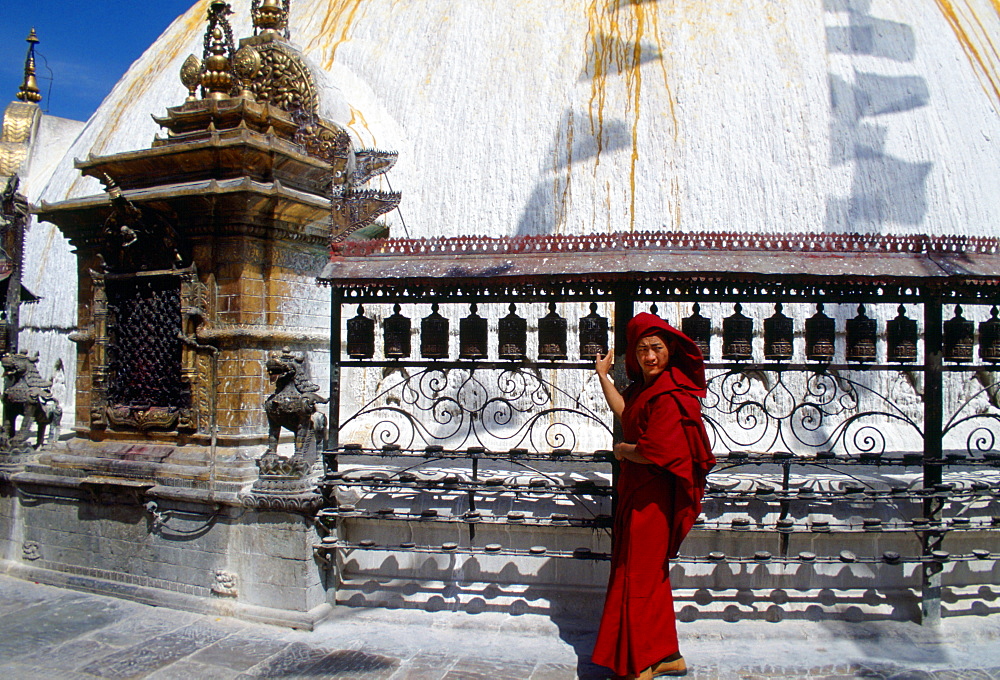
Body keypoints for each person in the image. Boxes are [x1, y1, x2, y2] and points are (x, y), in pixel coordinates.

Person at [591, 312, 716, 680]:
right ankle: (665, 654)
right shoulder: (648, 389)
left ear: (671, 349)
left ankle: (637, 662)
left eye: (657, 349)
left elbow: (658, 452)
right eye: (643, 350)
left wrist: (622, 451)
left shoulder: (673, 392)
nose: (650, 357)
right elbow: (627, 412)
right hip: (637, 492)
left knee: (638, 575)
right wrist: (603, 377)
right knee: (649, 575)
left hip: (654, 501)